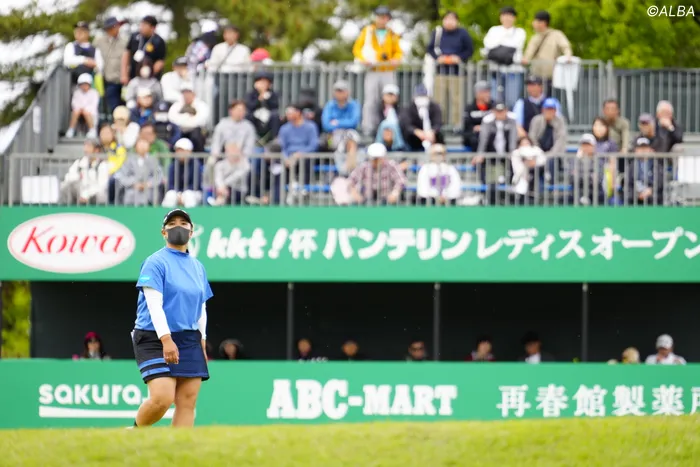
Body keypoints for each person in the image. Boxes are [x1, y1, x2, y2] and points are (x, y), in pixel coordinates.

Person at [131, 209, 213, 428]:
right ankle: (134, 434)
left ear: (192, 231)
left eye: (184, 223)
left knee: (188, 401)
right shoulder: (155, 262)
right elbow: (154, 305)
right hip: (153, 336)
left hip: (188, 338)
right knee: (162, 398)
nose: (178, 227)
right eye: (172, 223)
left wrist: (202, 340)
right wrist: (166, 339)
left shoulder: (198, 267)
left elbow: (201, 306)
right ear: (163, 232)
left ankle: (179, 446)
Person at [353, 5, 402, 135]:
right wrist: (363, 59)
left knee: (390, 99)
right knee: (371, 100)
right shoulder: (368, 31)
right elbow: (357, 49)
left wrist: (395, 59)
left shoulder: (392, 34)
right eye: (380, 17)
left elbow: (398, 52)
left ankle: (389, 127)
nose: (382, 20)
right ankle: (368, 127)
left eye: (384, 17)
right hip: (373, 70)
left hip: (387, 70)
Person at [426, 11, 473, 127]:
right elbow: (430, 49)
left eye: (452, 19)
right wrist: (438, 58)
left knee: (457, 101)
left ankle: (456, 126)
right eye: (447, 19)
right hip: (440, 72)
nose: (449, 22)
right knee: (439, 100)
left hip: (457, 73)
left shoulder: (463, 33)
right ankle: (439, 125)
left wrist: (458, 58)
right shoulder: (438, 32)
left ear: (457, 21)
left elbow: (469, 50)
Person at [482, 7, 526, 108]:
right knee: (495, 100)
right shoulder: (494, 30)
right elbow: (488, 45)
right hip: (495, 70)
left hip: (513, 71)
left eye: (510, 15)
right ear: (500, 17)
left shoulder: (520, 32)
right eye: (504, 15)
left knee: (512, 100)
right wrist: (507, 50)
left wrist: (499, 47)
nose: (507, 18)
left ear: (514, 18)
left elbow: (515, 46)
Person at [521, 10, 572, 88]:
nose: (533, 23)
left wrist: (568, 57)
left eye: (535, 21)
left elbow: (566, 47)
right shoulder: (535, 37)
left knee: (550, 95)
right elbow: (528, 54)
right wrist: (525, 60)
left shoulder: (556, 34)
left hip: (551, 76)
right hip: (536, 75)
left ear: (543, 22)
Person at [321, 80, 361, 176]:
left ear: (347, 92)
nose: (339, 93)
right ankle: (346, 171)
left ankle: (345, 170)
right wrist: (344, 122)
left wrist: (337, 122)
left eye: (342, 90)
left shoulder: (354, 104)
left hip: (349, 135)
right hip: (332, 137)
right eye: (337, 91)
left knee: (350, 135)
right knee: (344, 139)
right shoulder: (329, 105)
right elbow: (326, 125)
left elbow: (354, 123)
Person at [93, 17, 128, 113]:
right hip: (107, 78)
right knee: (110, 106)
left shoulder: (125, 41)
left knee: (123, 105)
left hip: (122, 79)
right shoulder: (99, 41)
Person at [60, 138, 109, 205]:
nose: (85, 149)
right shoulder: (79, 163)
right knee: (66, 187)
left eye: (88, 146)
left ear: (96, 150)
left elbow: (102, 185)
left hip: (95, 196)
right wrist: (77, 177)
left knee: (99, 194)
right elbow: (68, 177)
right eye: (85, 146)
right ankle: (66, 209)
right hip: (80, 192)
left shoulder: (103, 165)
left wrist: (86, 195)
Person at [400, 84, 444, 151]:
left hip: (432, 136)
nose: (422, 99)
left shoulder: (435, 107)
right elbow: (407, 124)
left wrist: (432, 132)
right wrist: (418, 132)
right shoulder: (409, 108)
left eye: (423, 96)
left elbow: (438, 123)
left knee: (439, 138)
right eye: (420, 96)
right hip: (414, 138)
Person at [123, 15, 167, 82]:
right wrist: (124, 74)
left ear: (152, 28)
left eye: (144, 25)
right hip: (133, 76)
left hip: (150, 78)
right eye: (141, 25)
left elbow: (160, 62)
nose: (141, 27)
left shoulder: (159, 41)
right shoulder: (135, 36)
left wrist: (149, 75)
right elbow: (126, 54)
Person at [162, 138, 203, 209]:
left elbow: (196, 185)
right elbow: (170, 184)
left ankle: (190, 216)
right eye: (178, 150)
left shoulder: (196, 165)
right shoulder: (173, 165)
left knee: (188, 195)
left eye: (181, 150)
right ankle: (167, 216)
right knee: (170, 195)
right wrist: (179, 194)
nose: (179, 153)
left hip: (194, 192)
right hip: (177, 193)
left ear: (189, 151)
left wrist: (183, 194)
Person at [462, 81, 494, 152]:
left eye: (489, 92)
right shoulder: (470, 108)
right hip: (474, 138)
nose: (488, 94)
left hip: (490, 135)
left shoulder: (493, 106)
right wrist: (476, 128)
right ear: (478, 93)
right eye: (485, 92)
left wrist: (483, 128)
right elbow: (467, 125)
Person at [66, 73, 100, 139]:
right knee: (75, 112)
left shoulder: (94, 93)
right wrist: (80, 109)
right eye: (82, 84)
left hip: (90, 113)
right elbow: (74, 104)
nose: (84, 86)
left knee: (86, 112)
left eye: (86, 84)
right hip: (79, 112)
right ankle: (71, 129)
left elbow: (94, 106)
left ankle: (92, 130)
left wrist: (85, 110)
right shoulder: (77, 92)